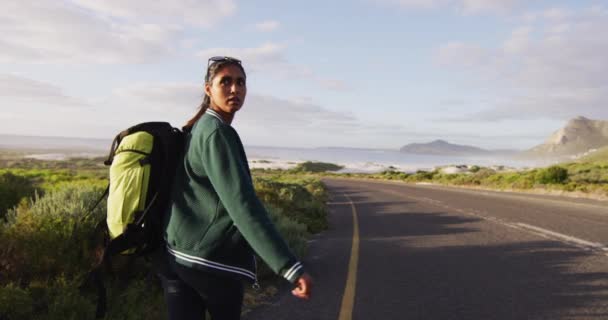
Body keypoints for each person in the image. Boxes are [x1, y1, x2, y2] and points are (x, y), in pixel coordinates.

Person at [155, 56, 313, 320]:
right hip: (210, 264)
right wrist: (289, 267)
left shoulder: (198, 127)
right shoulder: (217, 132)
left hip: (177, 257)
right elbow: (243, 206)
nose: (234, 89)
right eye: (225, 82)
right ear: (208, 89)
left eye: (240, 83)